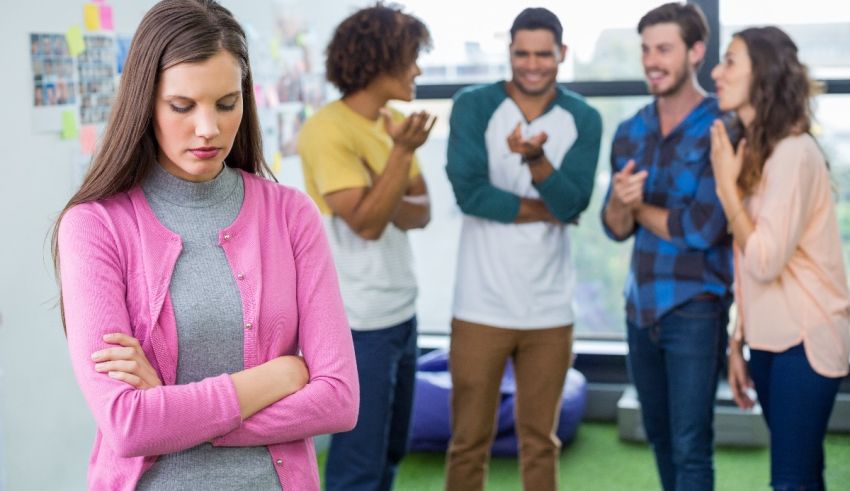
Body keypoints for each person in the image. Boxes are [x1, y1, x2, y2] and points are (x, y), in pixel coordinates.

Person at [51, 1, 358, 489]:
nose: (208, 128)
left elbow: (339, 399)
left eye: (226, 103)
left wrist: (174, 413)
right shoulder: (94, 226)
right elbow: (129, 425)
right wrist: (280, 376)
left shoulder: (290, 214)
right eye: (182, 106)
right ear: (144, 101)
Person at [444, 8, 601, 491]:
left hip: (549, 311)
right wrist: (550, 207)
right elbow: (469, 194)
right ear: (509, 52)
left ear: (562, 54)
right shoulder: (473, 105)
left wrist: (535, 159)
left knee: (540, 441)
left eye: (543, 55)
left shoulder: (583, 118)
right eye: (522, 54)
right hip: (480, 306)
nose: (532, 64)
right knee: (468, 441)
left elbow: (575, 200)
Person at [296, 4, 434, 491]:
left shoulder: (394, 122)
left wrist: (382, 181)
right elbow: (368, 224)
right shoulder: (326, 130)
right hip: (357, 322)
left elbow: (422, 212)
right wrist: (399, 159)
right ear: (379, 58)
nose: (418, 68)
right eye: (411, 56)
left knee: (392, 453)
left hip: (401, 311)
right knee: (358, 464)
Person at [711, 26, 850, 491]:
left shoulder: (793, 153)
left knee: (790, 480)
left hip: (806, 341)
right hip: (769, 342)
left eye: (730, 61)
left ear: (762, 75)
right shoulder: (755, 151)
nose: (716, 71)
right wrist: (738, 342)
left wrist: (726, 189)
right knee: (803, 472)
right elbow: (745, 262)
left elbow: (766, 260)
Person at [600, 3, 733, 490]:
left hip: (696, 310)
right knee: (659, 436)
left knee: (691, 446)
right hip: (640, 310)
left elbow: (703, 229)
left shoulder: (722, 126)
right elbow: (613, 226)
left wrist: (637, 210)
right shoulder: (629, 130)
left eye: (664, 49)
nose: (651, 60)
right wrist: (621, 202)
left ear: (696, 51)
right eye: (645, 49)